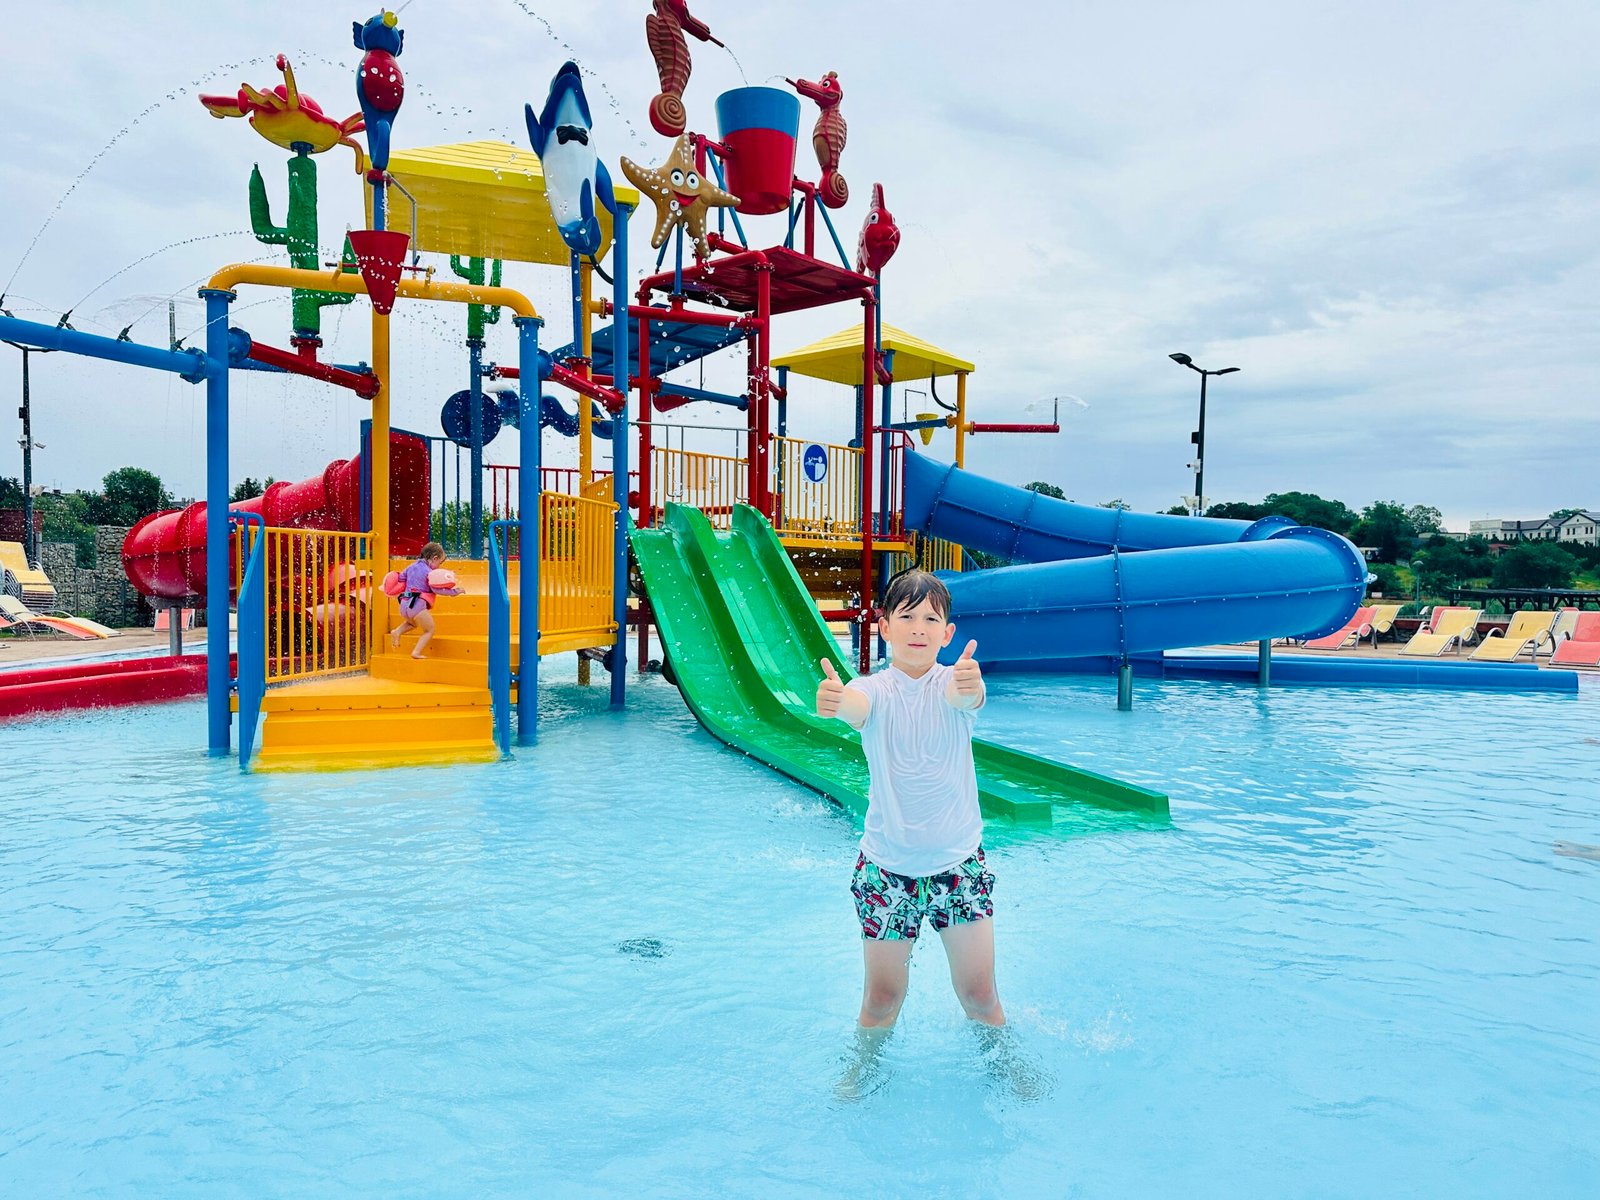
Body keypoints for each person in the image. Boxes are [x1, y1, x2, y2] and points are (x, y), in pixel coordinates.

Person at [817, 568, 1043, 1101]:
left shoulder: (954, 683)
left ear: (947, 633)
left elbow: (970, 697)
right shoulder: (870, 689)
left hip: (957, 867)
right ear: (884, 626)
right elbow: (855, 708)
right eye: (907, 616)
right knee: (881, 998)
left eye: (931, 619)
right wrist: (834, 701)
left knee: (980, 993)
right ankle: (863, 1072)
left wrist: (972, 684)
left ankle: (1006, 1069)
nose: (919, 627)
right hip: (886, 871)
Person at [388, 542, 463, 660]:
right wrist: (454, 592)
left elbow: (401, 579)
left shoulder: (410, 567)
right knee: (429, 630)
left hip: (404, 604)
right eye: (440, 563)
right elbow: (436, 589)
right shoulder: (429, 572)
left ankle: (397, 632)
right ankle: (416, 652)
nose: (439, 566)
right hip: (417, 605)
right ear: (435, 558)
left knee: (412, 623)